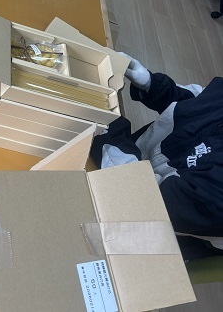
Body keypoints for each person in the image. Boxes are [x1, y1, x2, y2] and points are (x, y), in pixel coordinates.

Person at [90, 53, 223, 260]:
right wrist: (152, 84)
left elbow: (143, 201)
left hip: (134, 230)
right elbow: (197, 103)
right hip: (129, 158)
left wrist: (109, 127)